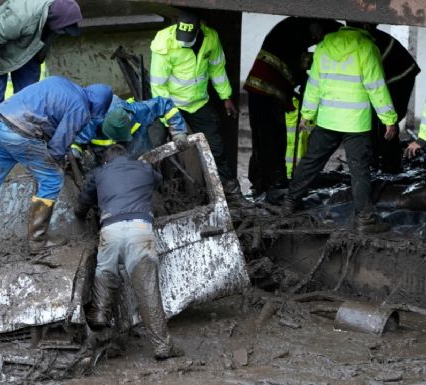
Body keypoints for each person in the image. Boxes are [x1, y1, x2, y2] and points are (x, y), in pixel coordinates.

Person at [0, 76, 113, 262]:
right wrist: (56, 162)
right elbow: (58, 148)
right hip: (20, 134)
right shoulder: (81, 107)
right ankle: (38, 241)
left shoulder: (61, 82)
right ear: (99, 106)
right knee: (52, 178)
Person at [282, 23, 398, 234]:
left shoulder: (325, 45)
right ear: (364, 24)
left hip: (328, 119)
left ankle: (290, 202)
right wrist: (389, 119)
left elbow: (314, 84)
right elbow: (376, 86)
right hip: (356, 123)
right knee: (359, 170)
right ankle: (365, 219)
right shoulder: (366, 47)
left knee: (311, 161)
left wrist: (307, 115)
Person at [74, 145, 183, 360]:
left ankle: (99, 314)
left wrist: (81, 213)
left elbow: (83, 203)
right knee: (147, 288)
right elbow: (158, 181)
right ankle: (162, 347)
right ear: (127, 156)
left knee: (105, 270)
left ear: (106, 161)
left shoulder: (100, 172)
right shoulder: (143, 168)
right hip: (140, 229)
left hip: (110, 228)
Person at [150, 12, 245, 206]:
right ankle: (155, 196)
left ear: (199, 29)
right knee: (159, 147)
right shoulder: (164, 43)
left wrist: (225, 97)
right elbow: (158, 88)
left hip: (199, 103)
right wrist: (171, 120)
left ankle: (232, 194)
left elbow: (217, 69)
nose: (184, 43)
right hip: (171, 104)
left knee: (216, 148)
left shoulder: (211, 38)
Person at [244, 17, 341, 196]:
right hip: (266, 90)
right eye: (321, 37)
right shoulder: (296, 31)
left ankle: (266, 180)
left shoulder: (293, 27)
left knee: (267, 138)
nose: (319, 42)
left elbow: (297, 64)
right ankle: (272, 183)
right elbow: (300, 64)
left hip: (267, 91)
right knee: (270, 138)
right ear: (317, 27)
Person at [0, 0, 82, 122]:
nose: (62, 33)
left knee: (29, 99)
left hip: (28, 48)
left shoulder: (54, 16)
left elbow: (46, 39)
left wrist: (38, 58)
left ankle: (22, 134)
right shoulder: (21, 18)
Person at [70, 95, 189, 165]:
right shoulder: (90, 122)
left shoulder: (137, 111)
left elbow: (166, 105)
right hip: (108, 163)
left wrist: (178, 132)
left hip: (142, 157)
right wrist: (75, 150)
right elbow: (75, 139)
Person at [365, 25, 420, 173]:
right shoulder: (364, 38)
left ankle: (389, 166)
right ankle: (383, 162)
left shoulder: (368, 41)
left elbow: (376, 86)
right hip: (393, 76)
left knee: (385, 125)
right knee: (380, 123)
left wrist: (389, 120)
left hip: (400, 77)